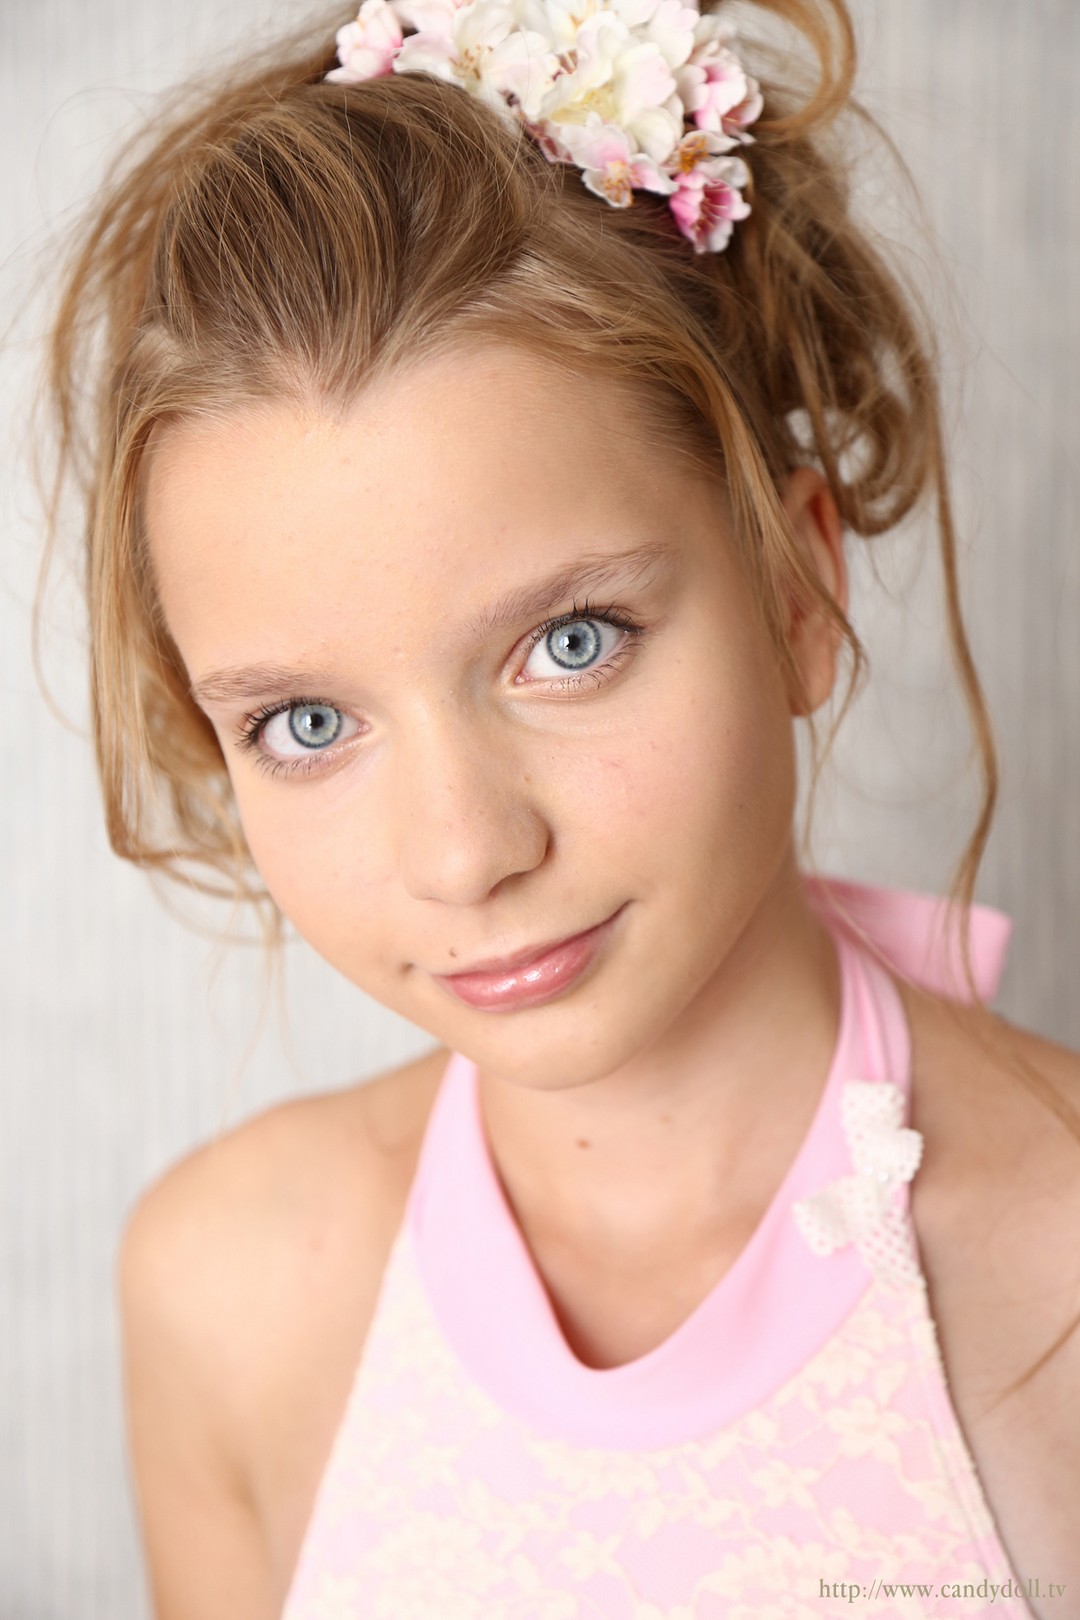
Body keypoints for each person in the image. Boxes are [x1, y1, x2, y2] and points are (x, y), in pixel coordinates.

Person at [36, 0, 1080, 1614]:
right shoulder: (228, 1294)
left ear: (798, 589)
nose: (466, 853)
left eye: (570, 644)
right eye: (307, 724)